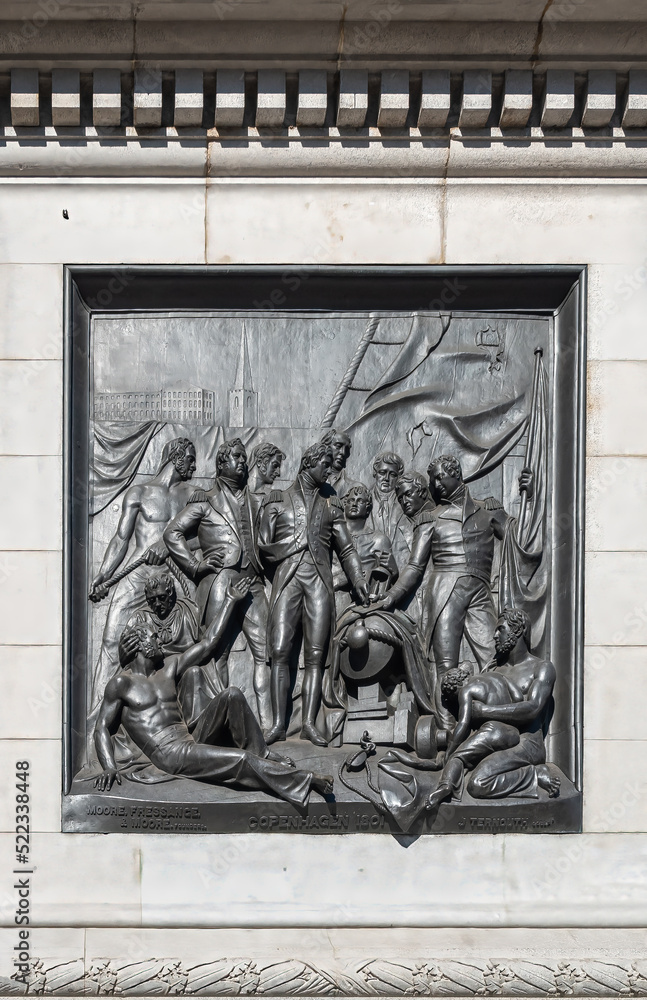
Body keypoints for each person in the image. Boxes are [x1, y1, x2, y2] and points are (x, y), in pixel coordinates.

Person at [94, 579, 333, 807]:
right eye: (154, 637)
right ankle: (304, 780)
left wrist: (230, 601)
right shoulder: (121, 684)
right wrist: (108, 766)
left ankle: (261, 752)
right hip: (170, 754)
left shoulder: (168, 668)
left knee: (232, 695)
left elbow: (208, 643)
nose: (160, 639)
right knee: (238, 760)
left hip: (189, 738)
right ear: (140, 645)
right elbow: (102, 727)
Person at [381, 456, 533, 714]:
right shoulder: (430, 519)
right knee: (445, 664)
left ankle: (493, 715)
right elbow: (415, 567)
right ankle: (446, 728)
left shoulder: (489, 510)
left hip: (480, 591)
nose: (436, 484)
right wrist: (391, 597)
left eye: (441, 477)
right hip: (444, 590)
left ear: (456, 474)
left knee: (494, 655)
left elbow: (518, 537)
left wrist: (529, 499)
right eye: (433, 480)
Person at [259, 441, 370, 746]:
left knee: (315, 656)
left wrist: (358, 578)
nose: (329, 471)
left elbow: (346, 548)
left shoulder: (331, 503)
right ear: (309, 464)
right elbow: (262, 548)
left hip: (319, 581)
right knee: (280, 650)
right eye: (325, 465)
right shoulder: (277, 500)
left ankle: (308, 721)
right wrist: (293, 546)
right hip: (288, 579)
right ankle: (279, 723)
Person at [163, 438, 271, 730]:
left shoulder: (257, 499)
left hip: (253, 581)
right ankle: (222, 723)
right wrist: (195, 565)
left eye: (244, 457)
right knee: (216, 652)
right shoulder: (205, 499)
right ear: (222, 462)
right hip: (221, 580)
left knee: (265, 651)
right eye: (237, 456)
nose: (243, 462)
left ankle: (269, 726)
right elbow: (172, 532)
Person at [89, 437, 197, 713]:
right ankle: (96, 717)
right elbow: (120, 539)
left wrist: (169, 544)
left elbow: (204, 540)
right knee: (112, 642)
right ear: (176, 457)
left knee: (191, 645)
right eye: (191, 458)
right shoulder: (139, 492)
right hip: (137, 577)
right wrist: (103, 575)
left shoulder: (194, 496)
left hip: (174, 580)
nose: (195, 466)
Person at [426, 607, 559, 808]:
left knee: (478, 784)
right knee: (469, 772)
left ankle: (534, 774)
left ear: (518, 630)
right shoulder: (493, 670)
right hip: (494, 738)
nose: (495, 636)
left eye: (501, 629)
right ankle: (447, 782)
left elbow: (532, 709)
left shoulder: (541, 668)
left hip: (526, 743)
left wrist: (485, 712)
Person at [334, 485, 398, 604]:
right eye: (351, 500)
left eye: (360, 501)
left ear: (368, 508)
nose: (354, 504)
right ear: (345, 505)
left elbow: (384, 581)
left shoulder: (379, 540)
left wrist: (394, 572)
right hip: (334, 596)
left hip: (364, 601)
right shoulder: (332, 537)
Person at [369, 452, 412, 568]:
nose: (386, 478)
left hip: (400, 572)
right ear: (375, 473)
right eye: (382, 472)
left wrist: (396, 566)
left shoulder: (407, 505)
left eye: (392, 474)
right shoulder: (361, 502)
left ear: (398, 477)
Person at [319, 428, 360, 497]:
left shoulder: (355, 489)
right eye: (338, 446)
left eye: (346, 449)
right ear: (325, 447)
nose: (343, 452)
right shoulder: (311, 484)